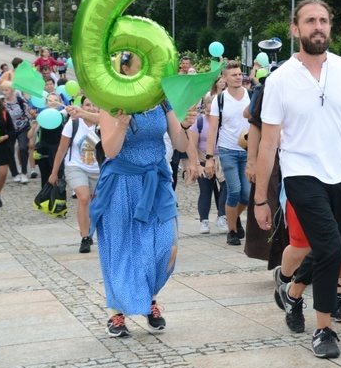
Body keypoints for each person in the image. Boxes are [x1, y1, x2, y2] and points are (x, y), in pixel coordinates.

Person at [254, 0, 341, 359]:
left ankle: (293, 292)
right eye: (310, 21)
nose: (318, 26)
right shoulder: (280, 80)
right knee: (330, 247)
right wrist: (260, 199)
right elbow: (269, 143)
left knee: (329, 247)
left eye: (324, 20)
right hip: (301, 173)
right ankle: (324, 330)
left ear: (330, 26)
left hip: (340, 174)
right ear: (295, 29)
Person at [88, 93, 196, 338]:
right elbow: (111, 150)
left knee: (166, 246)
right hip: (121, 184)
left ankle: (148, 298)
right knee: (121, 247)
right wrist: (122, 125)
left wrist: (186, 126)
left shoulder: (162, 100)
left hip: (156, 182)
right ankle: (116, 312)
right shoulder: (111, 102)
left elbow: (180, 145)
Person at [204, 61, 251, 245]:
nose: (238, 77)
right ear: (225, 78)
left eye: (240, 74)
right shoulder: (219, 99)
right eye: (234, 75)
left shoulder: (250, 95)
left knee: (247, 195)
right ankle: (231, 231)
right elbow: (213, 129)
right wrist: (209, 157)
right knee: (235, 191)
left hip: (247, 150)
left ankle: (234, 217)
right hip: (227, 150)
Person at [48, 96, 101, 253]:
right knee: (84, 198)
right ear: (81, 106)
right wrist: (54, 173)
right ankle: (85, 238)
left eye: (95, 105)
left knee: (95, 203)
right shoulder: (73, 124)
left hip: (99, 169)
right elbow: (62, 149)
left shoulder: (104, 124)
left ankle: (91, 228)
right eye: (88, 104)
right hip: (75, 166)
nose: (91, 108)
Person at [186, 94, 227, 234]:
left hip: (221, 159)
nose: (210, 114)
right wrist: (197, 164)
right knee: (206, 191)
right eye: (208, 112)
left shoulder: (222, 122)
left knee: (226, 188)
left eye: (212, 112)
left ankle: (222, 216)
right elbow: (193, 144)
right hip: (204, 159)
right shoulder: (199, 122)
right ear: (204, 110)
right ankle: (204, 220)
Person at [0, 81, 31, 183]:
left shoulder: (20, 100)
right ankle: (15, 173)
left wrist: (33, 116)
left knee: (23, 148)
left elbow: (28, 112)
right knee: (9, 151)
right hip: (8, 130)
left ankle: (24, 173)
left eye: (6, 90)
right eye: (3, 90)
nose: (4, 92)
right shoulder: (0, 102)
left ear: (12, 90)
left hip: (22, 127)